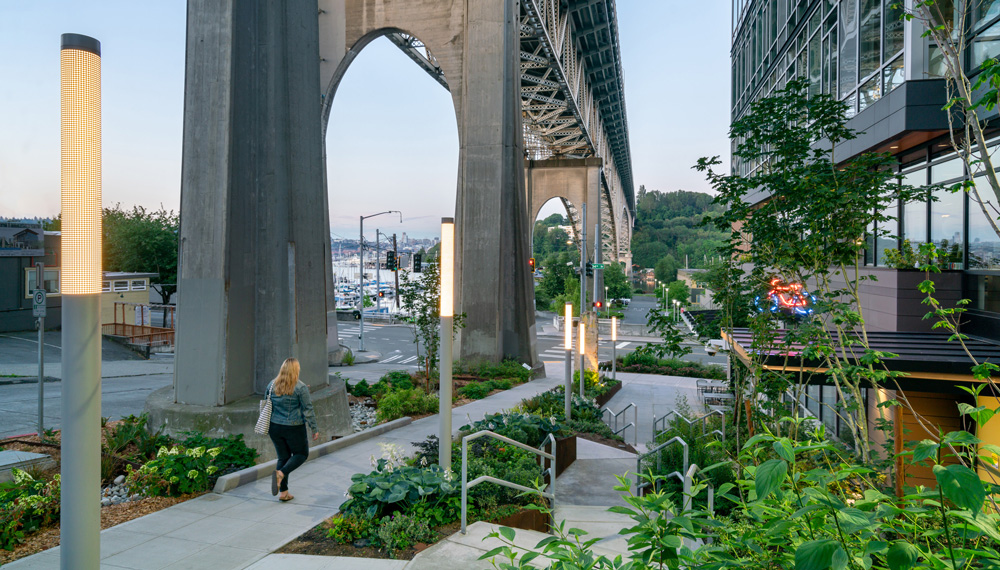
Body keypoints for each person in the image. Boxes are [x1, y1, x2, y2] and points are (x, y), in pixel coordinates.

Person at [266, 357, 319, 502]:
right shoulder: (300, 387)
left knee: (283, 457)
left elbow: (267, 403)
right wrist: (314, 428)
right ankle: (281, 474)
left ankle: (284, 493)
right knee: (301, 454)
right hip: (293, 427)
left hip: (274, 426)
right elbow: (308, 409)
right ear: (296, 370)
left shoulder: (271, 385)